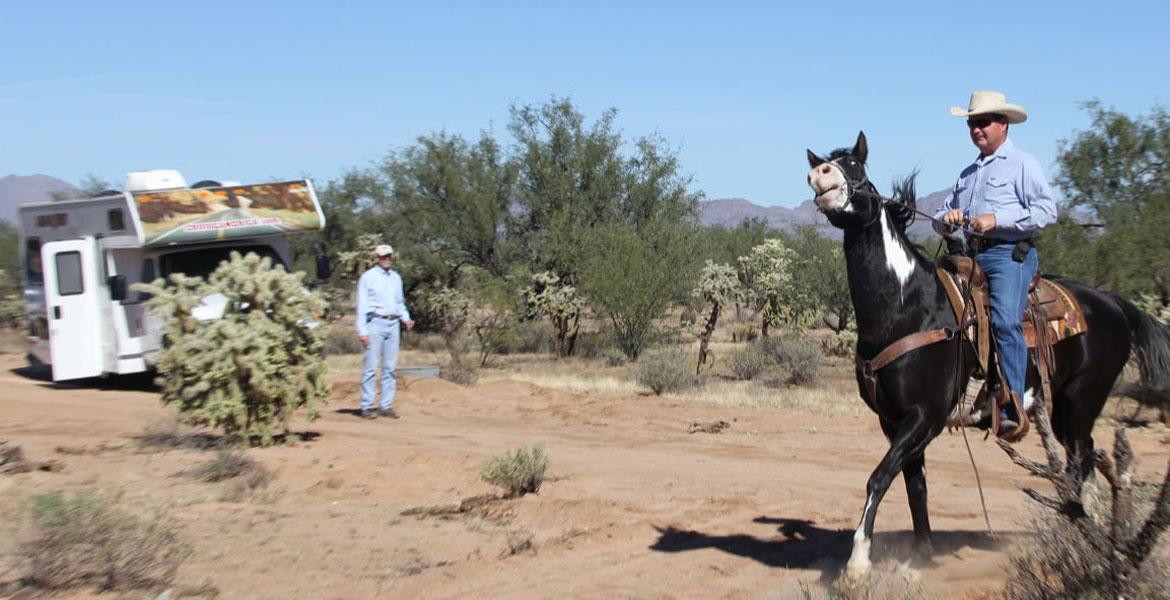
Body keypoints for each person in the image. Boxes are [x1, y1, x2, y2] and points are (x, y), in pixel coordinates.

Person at [934, 91, 1058, 438]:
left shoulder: (1023, 164)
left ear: (1003, 124)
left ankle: (1012, 403)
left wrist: (997, 219)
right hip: (970, 254)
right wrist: (949, 218)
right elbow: (939, 218)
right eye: (972, 123)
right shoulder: (967, 174)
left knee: (1004, 321)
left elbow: (1047, 211)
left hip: (1009, 255)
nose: (976, 129)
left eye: (983, 122)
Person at [356, 244, 414, 419]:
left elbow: (399, 302)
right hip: (375, 322)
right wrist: (362, 330)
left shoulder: (396, 278)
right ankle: (367, 405)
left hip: (393, 323)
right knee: (371, 366)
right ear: (377, 258)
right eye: (383, 256)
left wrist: (406, 318)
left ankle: (386, 405)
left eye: (389, 255)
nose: (387, 258)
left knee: (390, 367)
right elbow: (362, 304)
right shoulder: (368, 277)